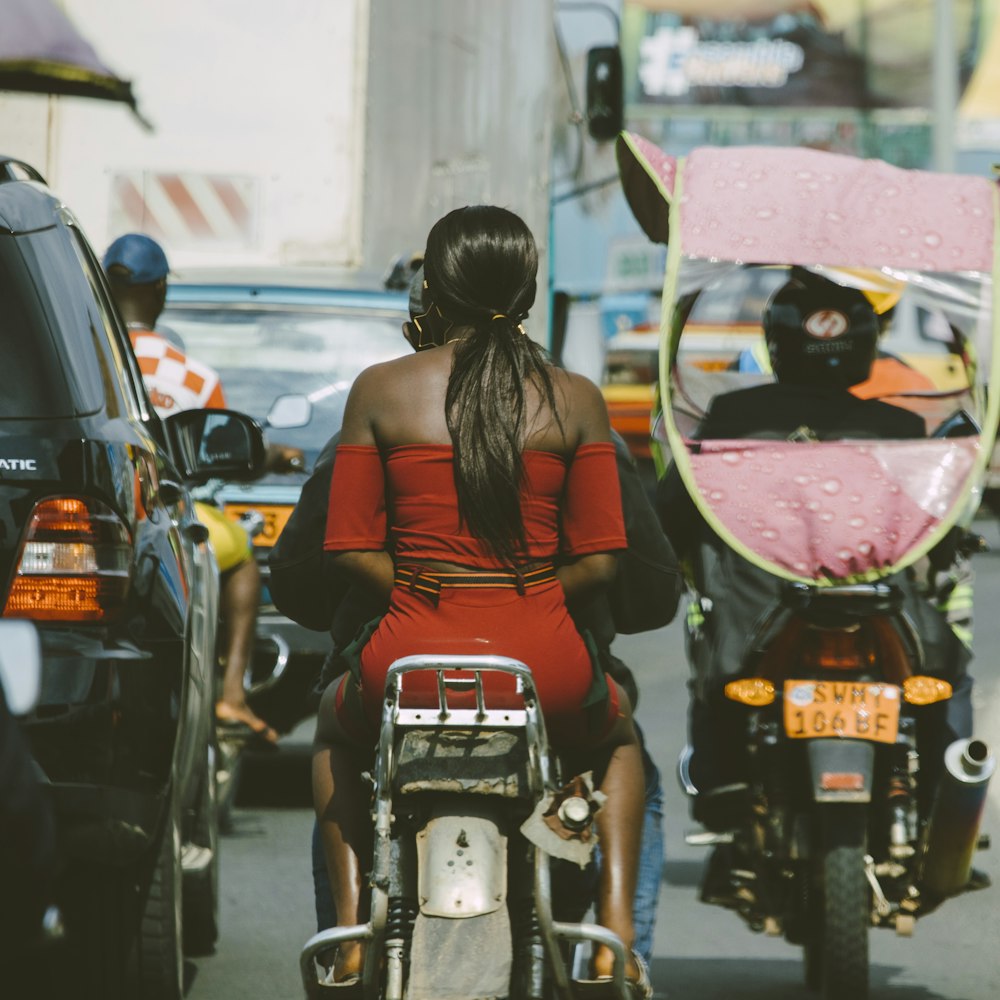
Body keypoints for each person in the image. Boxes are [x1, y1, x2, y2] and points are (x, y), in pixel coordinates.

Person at [313, 206, 650, 992]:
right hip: (545, 661)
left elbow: (349, 548)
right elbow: (601, 561)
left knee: (333, 728)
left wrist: (426, 592)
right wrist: (525, 591)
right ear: (530, 288)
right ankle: (614, 932)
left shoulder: (382, 390)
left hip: (408, 654)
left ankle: (354, 926)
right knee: (621, 739)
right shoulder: (574, 398)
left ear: (432, 286)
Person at [658, 273, 973, 826]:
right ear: (866, 346)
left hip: (757, 618)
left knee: (711, 667)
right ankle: (946, 804)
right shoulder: (899, 425)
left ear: (777, 345)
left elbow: (675, 514)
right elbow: (938, 527)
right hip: (885, 611)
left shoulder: (733, 418)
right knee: (950, 674)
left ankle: (726, 780)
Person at [103, 233, 300, 745]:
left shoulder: (87, 364)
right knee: (244, 562)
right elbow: (217, 458)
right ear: (160, 290)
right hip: (167, 512)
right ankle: (231, 693)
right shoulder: (192, 377)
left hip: (99, 510)